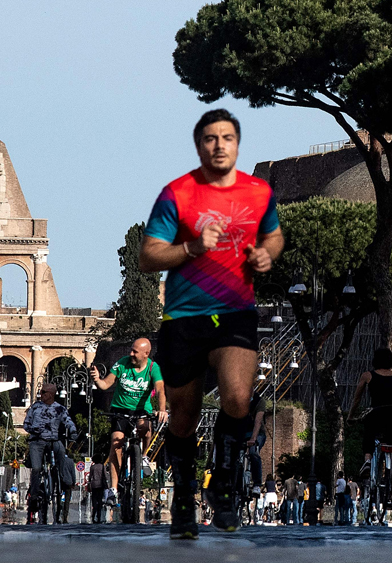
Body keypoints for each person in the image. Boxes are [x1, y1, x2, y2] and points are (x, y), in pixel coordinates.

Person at [139, 109, 284, 539]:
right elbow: (148, 256)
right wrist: (191, 247)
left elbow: (273, 233)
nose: (219, 145)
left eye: (227, 137)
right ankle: (184, 494)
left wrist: (267, 253)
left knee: (239, 397)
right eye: (210, 138)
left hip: (236, 312)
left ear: (237, 144)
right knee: (182, 418)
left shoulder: (259, 192)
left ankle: (223, 480)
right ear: (198, 145)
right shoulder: (178, 194)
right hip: (183, 317)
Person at [90, 338, 167, 501]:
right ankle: (114, 489)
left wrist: (162, 410)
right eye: (131, 350)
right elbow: (106, 385)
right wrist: (97, 379)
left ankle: (144, 456)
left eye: (135, 351)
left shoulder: (153, 368)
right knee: (116, 443)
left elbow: (160, 389)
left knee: (145, 427)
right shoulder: (122, 363)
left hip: (141, 411)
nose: (130, 353)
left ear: (146, 354)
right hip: (120, 410)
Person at [23, 383, 77, 523]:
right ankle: (34, 497)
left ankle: (62, 478)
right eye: (41, 392)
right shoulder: (35, 407)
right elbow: (26, 423)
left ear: (51, 394)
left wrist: (72, 431)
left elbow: (68, 421)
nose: (41, 394)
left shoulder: (59, 408)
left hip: (54, 440)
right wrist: (32, 430)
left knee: (62, 453)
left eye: (44, 392)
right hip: (37, 441)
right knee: (36, 468)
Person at [347, 348, 392, 475]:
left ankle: (367, 460)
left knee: (369, 434)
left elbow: (357, 398)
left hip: (377, 412)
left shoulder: (368, 375)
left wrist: (351, 416)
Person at [246, 389, 268, 489]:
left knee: (253, 452)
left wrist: (253, 438)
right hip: (243, 432)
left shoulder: (259, 401)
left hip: (258, 433)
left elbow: (258, 421)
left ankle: (257, 484)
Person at [88, 453, 107, 524]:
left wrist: (89, 483)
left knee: (94, 501)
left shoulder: (92, 467)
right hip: (101, 485)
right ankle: (99, 517)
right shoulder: (102, 466)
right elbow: (104, 476)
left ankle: (93, 517)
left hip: (94, 485)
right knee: (100, 502)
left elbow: (90, 477)